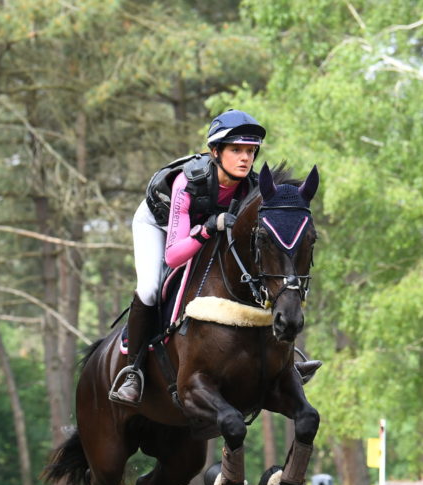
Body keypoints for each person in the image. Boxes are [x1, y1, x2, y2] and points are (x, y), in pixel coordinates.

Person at [109, 109, 319, 407]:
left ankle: (286, 361)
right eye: (236, 150)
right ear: (215, 152)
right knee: (150, 288)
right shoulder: (188, 183)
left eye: (250, 151)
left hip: (200, 228)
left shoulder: (253, 188)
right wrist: (207, 230)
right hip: (158, 225)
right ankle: (133, 369)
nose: (245, 158)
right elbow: (174, 253)